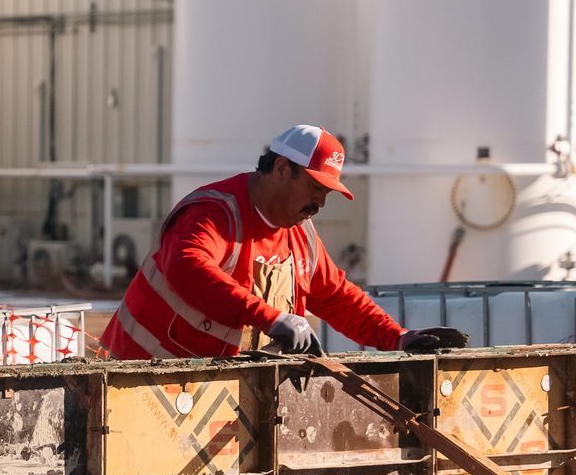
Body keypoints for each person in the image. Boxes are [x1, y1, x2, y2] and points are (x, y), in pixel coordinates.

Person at [101, 125, 468, 360]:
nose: (320, 204)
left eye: (327, 194)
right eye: (314, 188)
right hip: (136, 384)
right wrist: (271, 318)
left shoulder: (300, 232)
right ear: (280, 169)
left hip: (211, 393)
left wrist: (397, 338)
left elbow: (336, 296)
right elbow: (188, 268)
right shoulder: (215, 212)